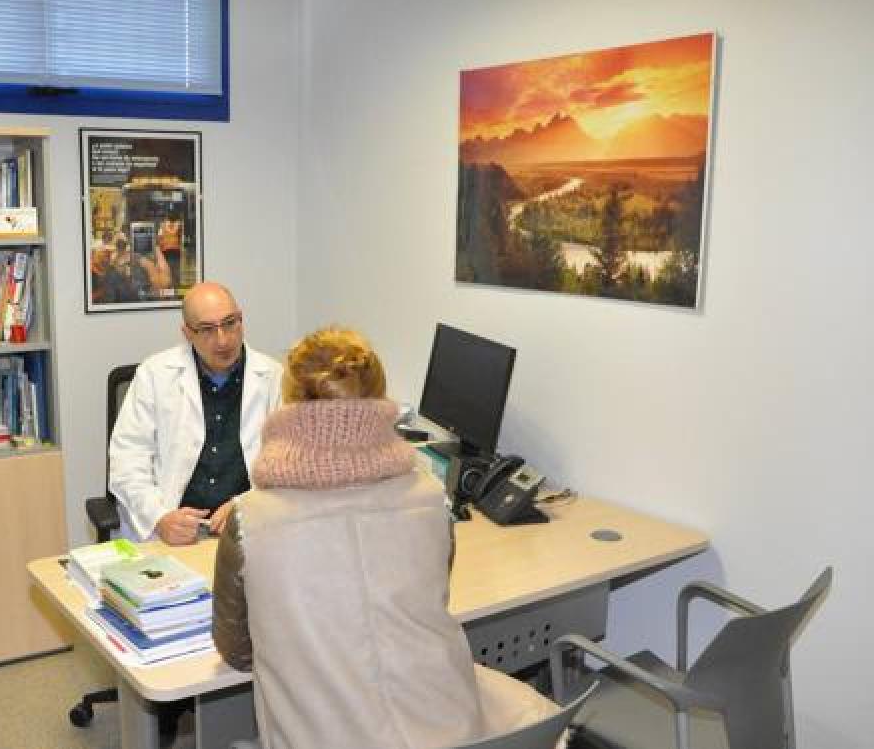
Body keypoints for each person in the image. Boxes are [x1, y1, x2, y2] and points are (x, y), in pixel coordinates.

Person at [212, 327, 558, 749]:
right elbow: (431, 597)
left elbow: (238, 652)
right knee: (526, 704)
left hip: (321, 735)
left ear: (289, 401)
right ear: (379, 400)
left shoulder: (249, 519)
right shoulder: (432, 497)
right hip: (449, 732)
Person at [109, 282, 283, 544]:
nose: (223, 339)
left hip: (247, 531)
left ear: (241, 320)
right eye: (207, 330)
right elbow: (127, 461)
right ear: (187, 333)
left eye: (230, 323)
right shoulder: (155, 374)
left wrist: (247, 505)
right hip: (173, 531)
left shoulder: (274, 377)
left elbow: (286, 466)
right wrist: (159, 518)